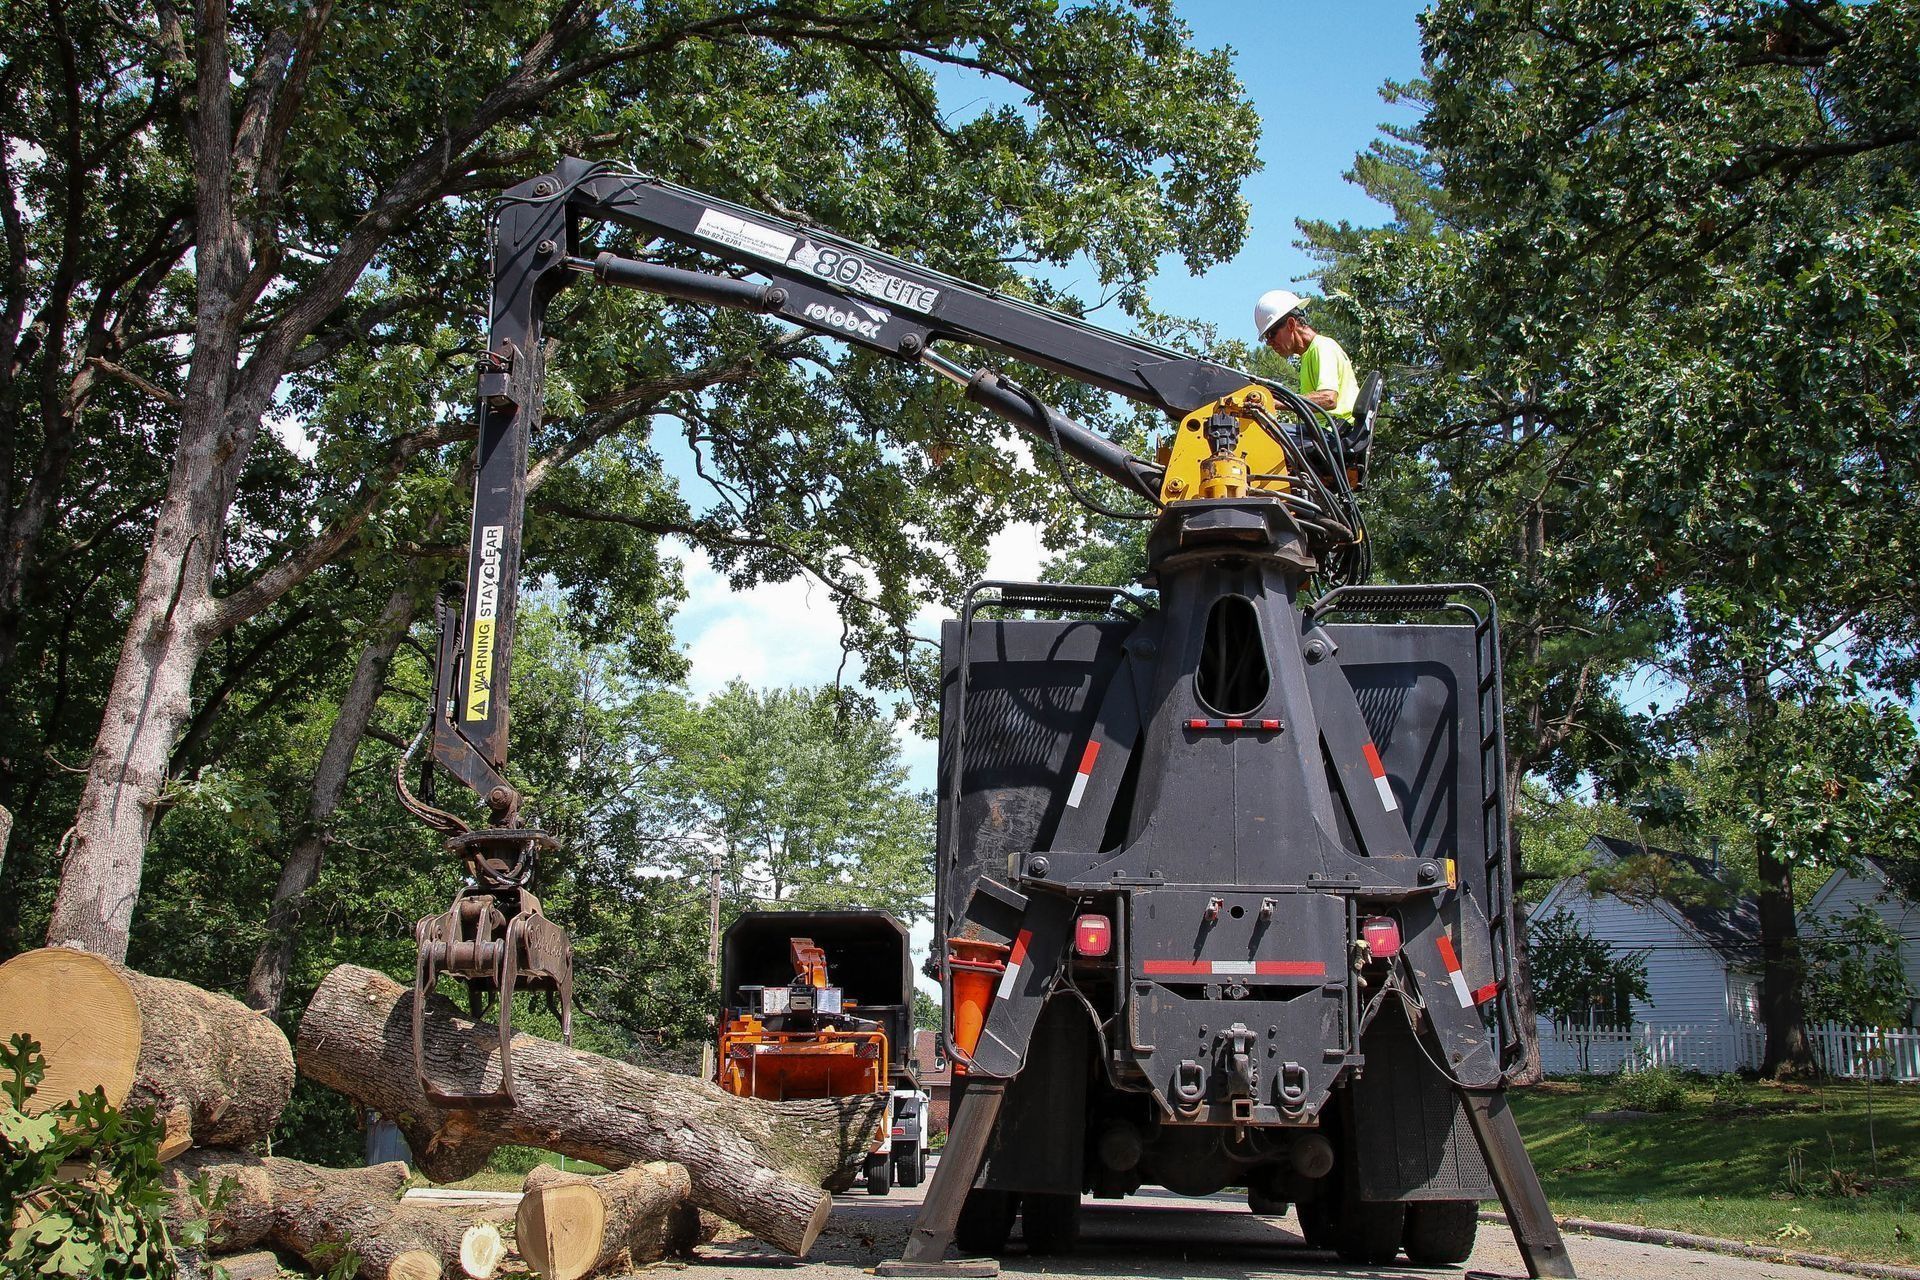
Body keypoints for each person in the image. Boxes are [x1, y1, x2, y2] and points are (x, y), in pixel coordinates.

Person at [1253, 289, 1357, 420]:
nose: (1269, 343)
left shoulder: (1323, 347)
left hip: (1334, 432)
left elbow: (1328, 398)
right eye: (1265, 338)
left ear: (1291, 324)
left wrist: (1273, 402)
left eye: (1271, 334)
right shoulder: (1308, 354)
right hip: (1323, 431)